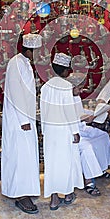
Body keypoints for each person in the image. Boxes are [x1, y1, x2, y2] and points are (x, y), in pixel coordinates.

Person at [1, 33, 42, 214]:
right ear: (29, 50)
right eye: (38, 51)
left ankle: (26, 190)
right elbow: (16, 93)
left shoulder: (25, 63)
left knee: (27, 156)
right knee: (20, 157)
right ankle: (20, 196)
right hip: (20, 120)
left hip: (26, 117)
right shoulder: (16, 63)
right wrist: (24, 120)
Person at [40, 53, 84, 210]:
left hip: (50, 132)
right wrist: (75, 131)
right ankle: (68, 194)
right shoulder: (66, 87)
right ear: (65, 70)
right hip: (64, 130)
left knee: (52, 165)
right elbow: (69, 111)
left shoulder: (46, 86)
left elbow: (43, 111)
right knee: (66, 163)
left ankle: (54, 199)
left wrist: (44, 131)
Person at [69, 73, 110, 197]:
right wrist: (85, 118)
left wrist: (96, 113)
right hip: (71, 132)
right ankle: (89, 182)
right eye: (79, 88)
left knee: (103, 136)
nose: (81, 91)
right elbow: (69, 117)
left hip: (82, 128)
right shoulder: (64, 98)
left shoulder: (76, 97)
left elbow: (81, 112)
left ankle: (101, 170)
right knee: (86, 147)